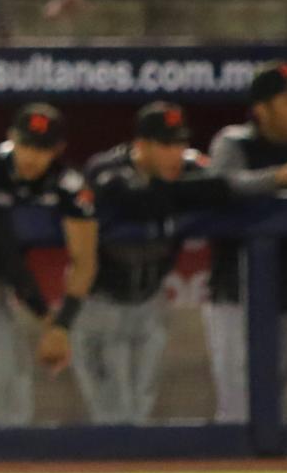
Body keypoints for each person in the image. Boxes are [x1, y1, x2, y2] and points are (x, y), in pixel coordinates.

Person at [76, 103, 238, 425]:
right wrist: (183, 195)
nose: (176, 153)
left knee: (140, 410)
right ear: (141, 145)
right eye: (166, 145)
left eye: (179, 143)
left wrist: (175, 192)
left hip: (150, 301)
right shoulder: (107, 168)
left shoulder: (189, 166)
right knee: (111, 415)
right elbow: (133, 201)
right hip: (101, 304)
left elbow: (223, 187)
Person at [203, 61, 287, 423]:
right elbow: (220, 186)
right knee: (238, 405)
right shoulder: (235, 142)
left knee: (279, 403)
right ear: (262, 110)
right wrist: (279, 178)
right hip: (237, 293)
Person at [0, 105, 95, 429]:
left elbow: (85, 259)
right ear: (12, 138)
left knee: (11, 386)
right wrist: (47, 320)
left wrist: (62, 325)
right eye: (26, 144)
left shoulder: (68, 181)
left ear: (58, 149)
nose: (31, 156)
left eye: (42, 148)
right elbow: (4, 255)